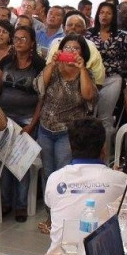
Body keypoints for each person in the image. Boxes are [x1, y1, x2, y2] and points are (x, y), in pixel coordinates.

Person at [43, 118, 127, 251]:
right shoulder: (120, 180)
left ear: (70, 147)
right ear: (103, 148)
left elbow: (50, 203)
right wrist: (115, 176)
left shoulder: (55, 179)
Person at [33, 34, 98, 189]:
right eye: (67, 47)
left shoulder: (87, 73)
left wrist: (82, 68)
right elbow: (38, 87)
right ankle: (50, 209)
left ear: (82, 53)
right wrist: (51, 64)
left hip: (68, 131)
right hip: (46, 128)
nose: (71, 51)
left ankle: (63, 209)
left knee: (63, 172)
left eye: (76, 48)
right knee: (47, 172)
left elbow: (89, 96)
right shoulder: (53, 69)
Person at [0, 25, 46, 222]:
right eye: (16, 38)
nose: (18, 42)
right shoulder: (6, 61)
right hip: (4, 119)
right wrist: (0, 117)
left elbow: (42, 99)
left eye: (23, 39)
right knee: (4, 161)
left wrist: (32, 125)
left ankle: (21, 205)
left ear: (32, 42)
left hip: (27, 120)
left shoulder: (39, 65)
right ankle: (5, 202)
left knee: (21, 164)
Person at [87, 0, 127, 137]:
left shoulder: (123, 37)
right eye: (102, 12)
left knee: (105, 119)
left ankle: (105, 157)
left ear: (114, 16)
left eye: (108, 13)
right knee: (89, 117)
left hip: (112, 79)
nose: (104, 16)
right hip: (91, 79)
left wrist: (114, 66)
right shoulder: (88, 34)